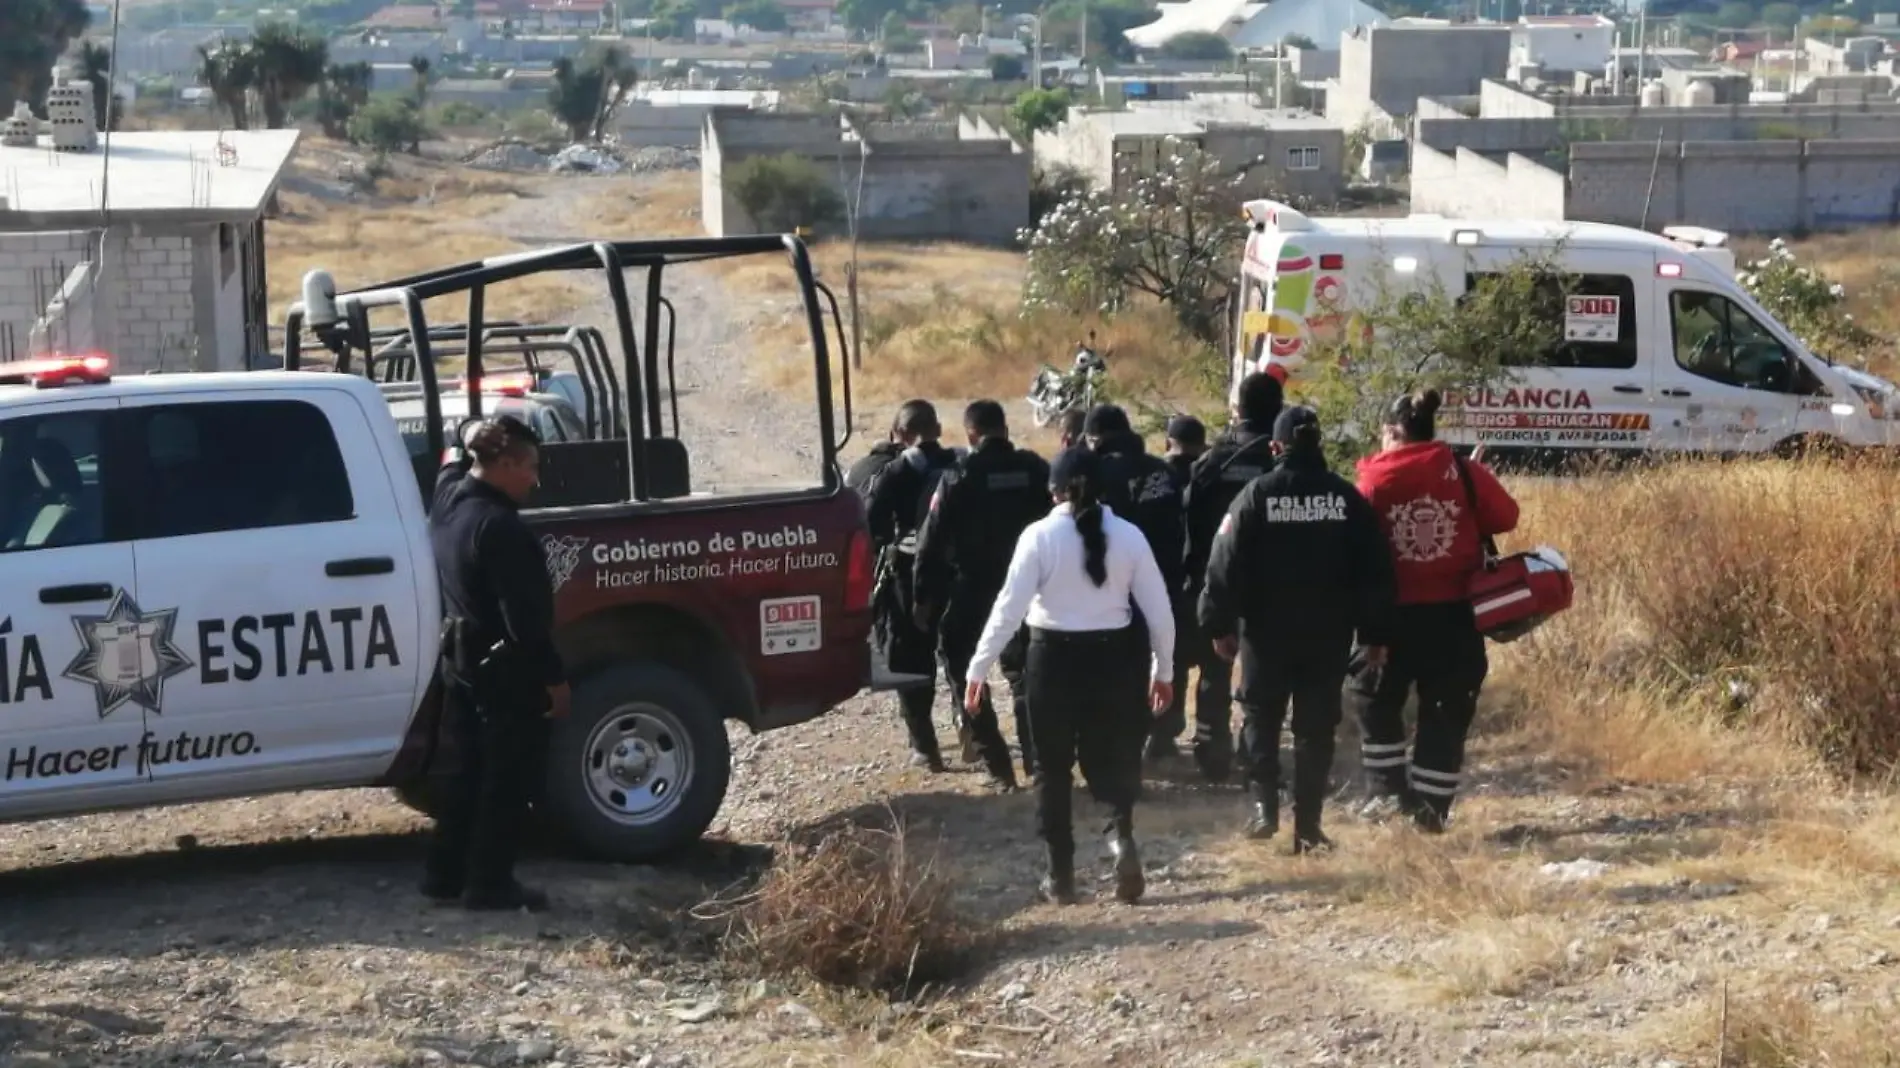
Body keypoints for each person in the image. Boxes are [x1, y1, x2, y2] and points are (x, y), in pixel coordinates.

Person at [963, 446, 1175, 905]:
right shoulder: (1130, 536)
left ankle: (1060, 877)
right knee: (1112, 759)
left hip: (1051, 662)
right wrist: (1165, 669)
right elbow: (1160, 611)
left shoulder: (1038, 537)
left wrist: (978, 667)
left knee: (1051, 770)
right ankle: (1121, 841)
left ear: (1054, 490)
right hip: (1114, 661)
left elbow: (1007, 610)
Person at [1200, 406, 1396, 853]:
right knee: (1314, 730)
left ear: (1275, 447)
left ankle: (1263, 809)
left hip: (1265, 634)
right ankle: (1308, 827)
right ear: (1319, 445)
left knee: (1259, 717)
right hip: (1326, 635)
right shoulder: (1347, 499)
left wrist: (1217, 622)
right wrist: (1376, 634)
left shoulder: (1255, 495)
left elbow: (1222, 562)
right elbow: (1376, 572)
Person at [1353, 389, 1520, 832]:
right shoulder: (1463, 472)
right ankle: (1430, 810)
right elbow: (1507, 517)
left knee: (1375, 700)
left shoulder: (1371, 482)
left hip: (1391, 617)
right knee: (1446, 711)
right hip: (1456, 615)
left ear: (1391, 433)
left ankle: (1388, 794)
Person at [423, 415, 570, 911]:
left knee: (465, 774)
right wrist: (554, 680)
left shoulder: (447, 499)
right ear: (504, 464)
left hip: (458, 663)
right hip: (501, 671)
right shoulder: (501, 528)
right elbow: (525, 623)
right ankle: (489, 882)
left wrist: (466, 431)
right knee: (506, 780)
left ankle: (445, 874)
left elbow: (449, 450)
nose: (534, 479)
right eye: (529, 467)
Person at [915, 400, 1049, 787]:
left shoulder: (960, 474)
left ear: (971, 434)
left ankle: (999, 768)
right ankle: (1038, 764)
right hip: (1029, 589)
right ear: (1005, 429)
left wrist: (923, 596)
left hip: (975, 588)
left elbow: (932, 537)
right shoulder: (1035, 469)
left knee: (964, 669)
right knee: (1026, 674)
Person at [1179, 372, 1285, 782]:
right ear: (1278, 409)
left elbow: (1189, 527)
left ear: (1237, 409)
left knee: (1214, 669)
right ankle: (1257, 752)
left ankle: (1211, 749)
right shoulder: (1279, 460)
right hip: (1273, 588)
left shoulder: (1211, 461)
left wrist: (1197, 584)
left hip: (1218, 582)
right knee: (1267, 676)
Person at [863, 400, 965, 772]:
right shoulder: (960, 465)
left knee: (911, 659)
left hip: (910, 576)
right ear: (938, 429)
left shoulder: (894, 472)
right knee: (962, 652)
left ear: (901, 435)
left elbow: (870, 523)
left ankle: (926, 747)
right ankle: (968, 721)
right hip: (961, 575)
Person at [1152, 414, 1208, 760]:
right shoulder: (1211, 474)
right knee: (1210, 666)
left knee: (1167, 663)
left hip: (1164, 585)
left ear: (1167, 443)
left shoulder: (1155, 477)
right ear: (1202, 445)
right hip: (1202, 586)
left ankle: (1162, 735)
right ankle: (1211, 738)